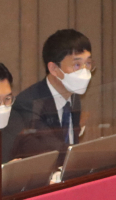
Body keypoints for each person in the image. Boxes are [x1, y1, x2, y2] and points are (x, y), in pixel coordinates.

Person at [9, 29, 94, 157]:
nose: (85, 71)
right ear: (54, 69)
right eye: (77, 65)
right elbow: (54, 150)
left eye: (88, 63)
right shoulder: (29, 103)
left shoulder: (73, 96)